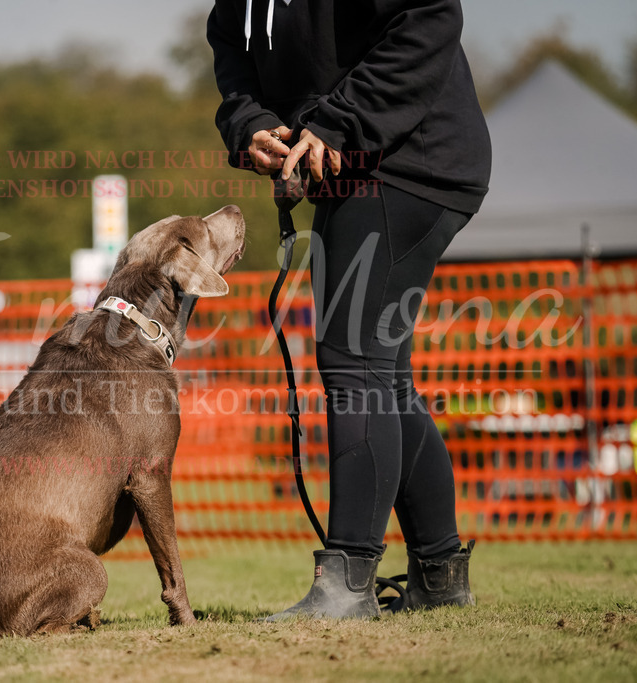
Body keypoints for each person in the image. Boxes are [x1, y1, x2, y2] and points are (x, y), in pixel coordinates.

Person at [207, 0, 492, 619]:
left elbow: (430, 17)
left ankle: (347, 581)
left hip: (410, 162)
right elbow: (231, 41)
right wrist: (250, 122)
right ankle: (439, 576)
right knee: (382, 377)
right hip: (355, 173)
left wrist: (339, 123)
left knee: (354, 365)